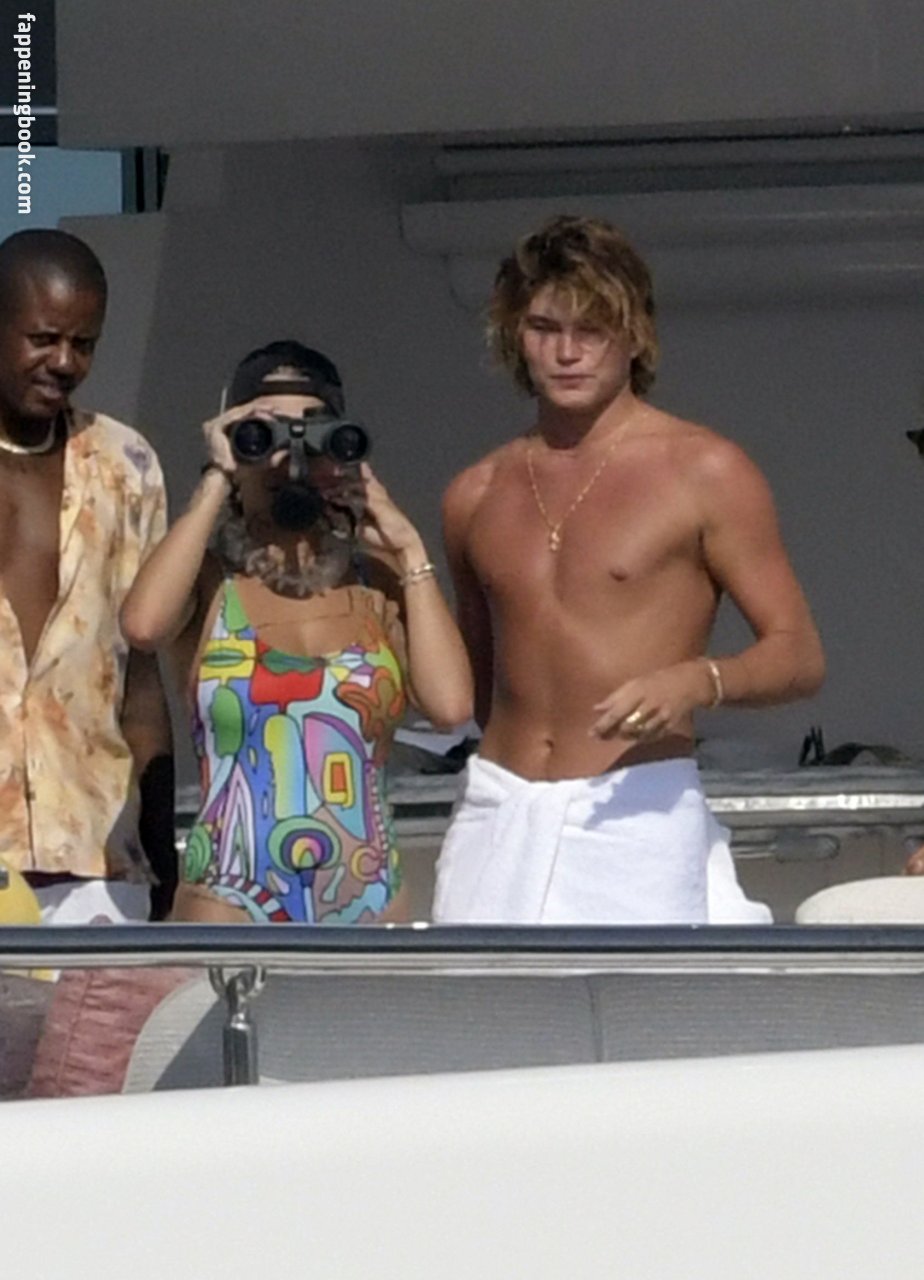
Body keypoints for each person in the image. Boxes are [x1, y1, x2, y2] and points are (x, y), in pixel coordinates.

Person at [435, 214, 825, 925]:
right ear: (514, 336)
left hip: (633, 807)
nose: (567, 352)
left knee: (645, 1000)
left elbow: (798, 655)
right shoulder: (476, 492)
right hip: (500, 808)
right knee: (475, 996)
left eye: (592, 329)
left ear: (635, 333)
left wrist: (696, 681)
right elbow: (472, 689)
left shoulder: (703, 470)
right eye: (545, 328)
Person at [121, 340, 473, 924]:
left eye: (313, 432)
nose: (290, 459)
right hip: (228, 901)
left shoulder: (378, 582)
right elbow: (142, 625)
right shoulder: (211, 583)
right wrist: (218, 477)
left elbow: (451, 707)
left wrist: (409, 548)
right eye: (267, 434)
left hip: (365, 902)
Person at [0, 228, 175, 923]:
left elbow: (139, 677)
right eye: (43, 339)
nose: (64, 362)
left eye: (84, 343)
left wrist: (160, 849)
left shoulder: (126, 464)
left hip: (99, 865)